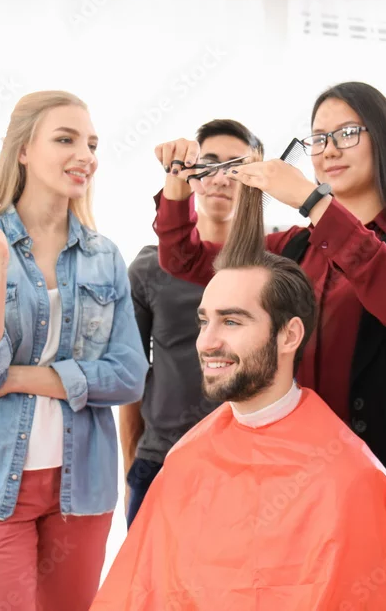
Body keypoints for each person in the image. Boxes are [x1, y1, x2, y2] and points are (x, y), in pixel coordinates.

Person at [152, 81, 386, 605]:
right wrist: (177, 189)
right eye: (318, 138)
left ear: (384, 140)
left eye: (347, 133)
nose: (329, 149)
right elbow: (189, 260)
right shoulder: (291, 246)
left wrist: (314, 203)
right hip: (301, 477)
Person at [91, 201, 386, 610]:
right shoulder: (183, 465)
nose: (207, 342)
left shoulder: (354, 482)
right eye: (204, 321)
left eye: (232, 321)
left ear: (289, 336)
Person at [0, 90, 148, 611]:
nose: (85, 155)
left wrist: (17, 377)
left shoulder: (104, 256)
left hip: (80, 490)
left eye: (91, 144)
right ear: (23, 150)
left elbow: (128, 376)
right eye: (66, 140)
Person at [120, 119, 264, 528]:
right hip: (161, 462)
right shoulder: (149, 268)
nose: (221, 178)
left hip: (250, 465)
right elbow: (132, 377)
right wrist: (130, 467)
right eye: (210, 164)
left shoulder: (275, 268)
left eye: (235, 167)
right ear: (192, 176)